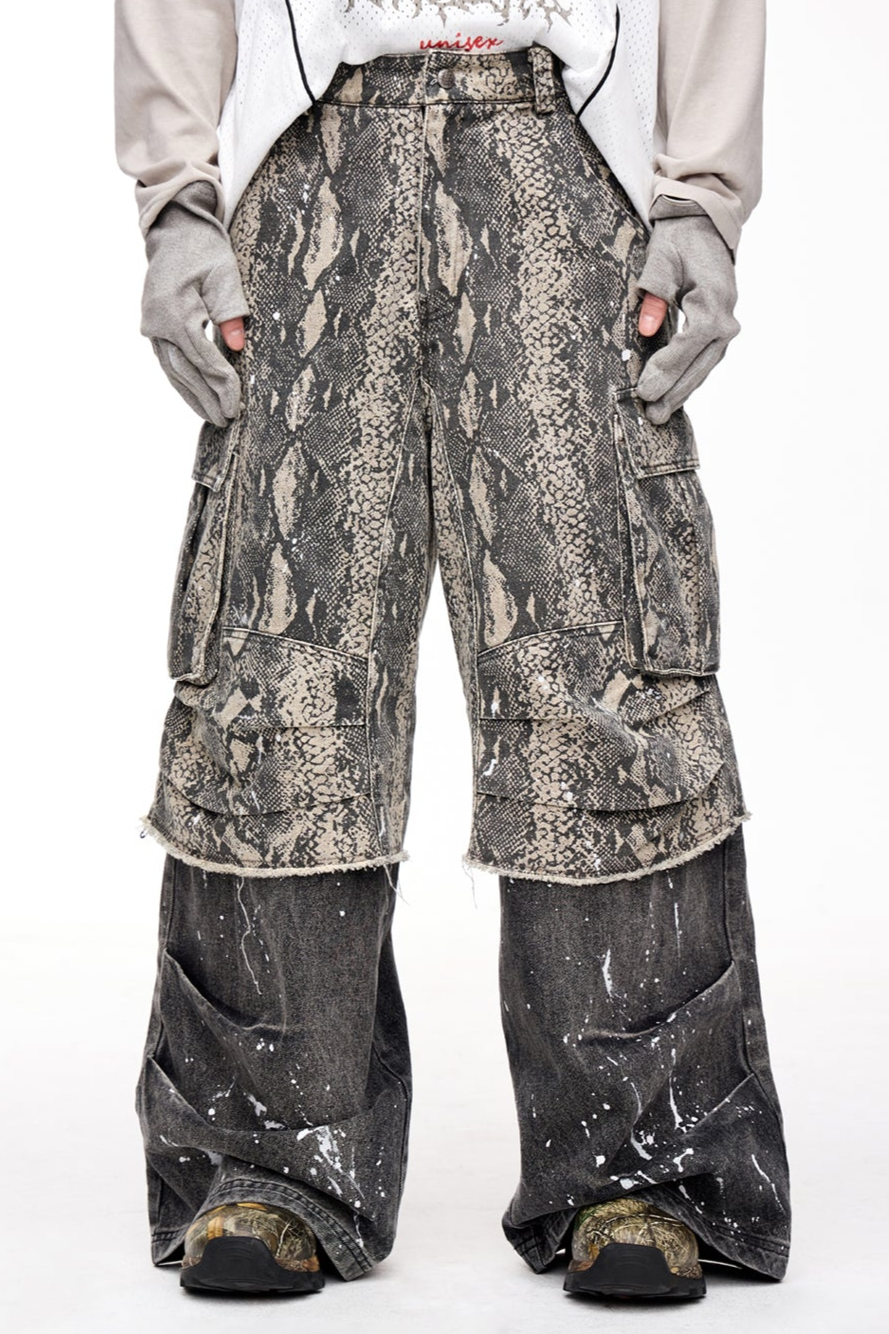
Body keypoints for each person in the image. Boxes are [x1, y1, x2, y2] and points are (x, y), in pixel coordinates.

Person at [115, 0, 791, 1303]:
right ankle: (268, 1153)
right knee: (278, 655)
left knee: (602, 660)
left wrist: (703, 196)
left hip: (563, 139)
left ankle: (643, 1160)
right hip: (310, 142)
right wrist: (178, 201)